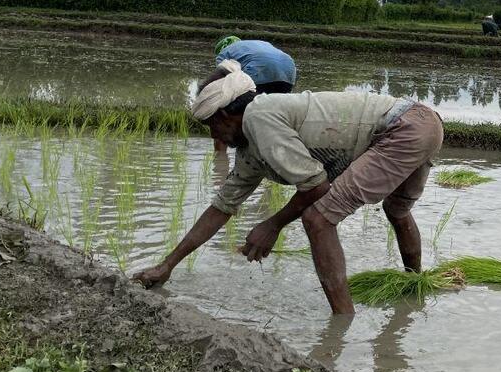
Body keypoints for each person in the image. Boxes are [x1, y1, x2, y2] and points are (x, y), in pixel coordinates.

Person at [133, 61, 443, 314]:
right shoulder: (250, 150)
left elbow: (317, 187)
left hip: (401, 129)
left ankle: (342, 322)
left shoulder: (259, 116)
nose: (215, 136)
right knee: (397, 209)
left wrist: (271, 225)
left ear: (226, 115)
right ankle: (413, 288)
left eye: (213, 126)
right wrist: (167, 265)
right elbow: (220, 208)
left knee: (318, 219)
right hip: (424, 123)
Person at [210, 35, 296, 153]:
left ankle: (220, 156)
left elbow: (224, 84)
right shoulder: (254, 45)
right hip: (288, 72)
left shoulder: (223, 54)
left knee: (225, 113)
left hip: (260, 70)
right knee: (274, 115)